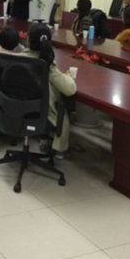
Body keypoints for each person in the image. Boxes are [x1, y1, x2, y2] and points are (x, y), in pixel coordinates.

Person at [22, 24, 77, 159]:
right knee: (60, 106)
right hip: (42, 114)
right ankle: (60, 150)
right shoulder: (47, 65)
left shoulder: (16, 58)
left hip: (15, 108)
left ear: (28, 41)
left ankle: (43, 141)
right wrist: (66, 77)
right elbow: (70, 90)